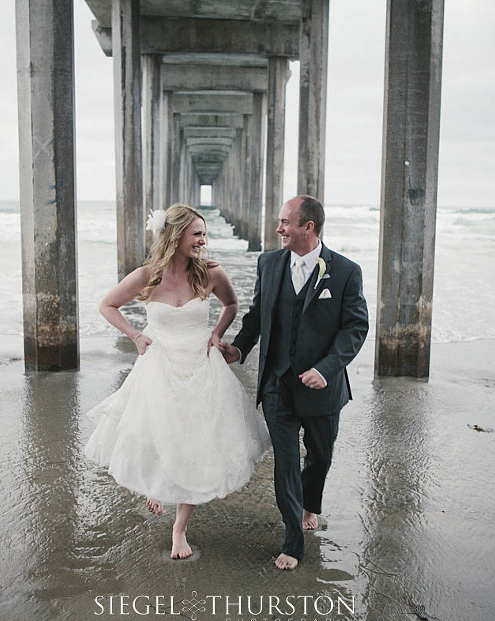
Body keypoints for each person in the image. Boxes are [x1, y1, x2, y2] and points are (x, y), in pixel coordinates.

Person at [85, 203, 270, 560]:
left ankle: (179, 529)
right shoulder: (147, 275)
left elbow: (232, 304)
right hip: (161, 365)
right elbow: (107, 306)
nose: (203, 240)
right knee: (160, 434)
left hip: (201, 366)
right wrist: (137, 336)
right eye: (197, 234)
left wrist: (217, 334)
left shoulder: (211, 272)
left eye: (204, 234)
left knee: (197, 445)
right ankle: (159, 483)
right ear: (175, 236)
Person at [219, 195, 369, 570]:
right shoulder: (268, 263)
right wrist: (239, 349)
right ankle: (293, 541)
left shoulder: (346, 271)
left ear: (309, 227)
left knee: (320, 456)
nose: (278, 228)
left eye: (285, 222)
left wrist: (328, 368)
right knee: (285, 464)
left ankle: (310, 504)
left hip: (322, 387)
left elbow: (356, 327)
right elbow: (256, 316)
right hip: (277, 383)